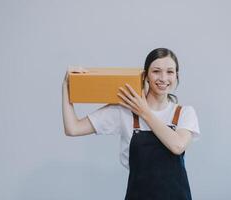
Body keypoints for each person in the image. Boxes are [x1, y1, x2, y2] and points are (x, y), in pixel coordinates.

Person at [62, 48, 200, 200]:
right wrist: (66, 86)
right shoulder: (124, 111)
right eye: (156, 71)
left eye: (170, 72)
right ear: (146, 75)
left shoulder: (185, 113)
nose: (163, 78)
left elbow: (177, 146)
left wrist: (144, 112)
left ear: (176, 76)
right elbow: (73, 128)